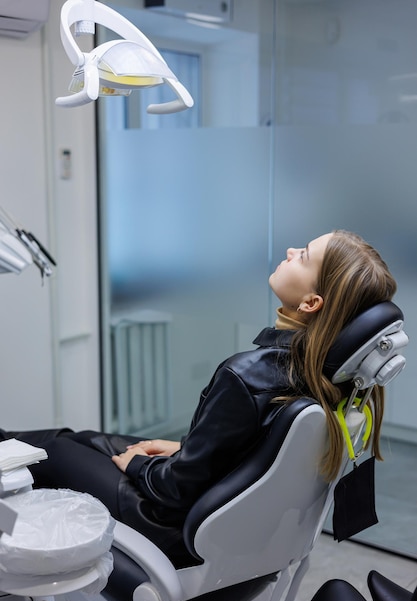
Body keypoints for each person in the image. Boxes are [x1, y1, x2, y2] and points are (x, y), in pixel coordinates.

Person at [0, 230, 397, 566]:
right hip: (210, 507)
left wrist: (139, 466)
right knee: (81, 437)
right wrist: (182, 448)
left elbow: (174, 491)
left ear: (311, 303)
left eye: (304, 256)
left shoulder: (248, 375)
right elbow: (258, 456)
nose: (292, 251)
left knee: (55, 450)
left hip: (166, 521)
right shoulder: (327, 382)